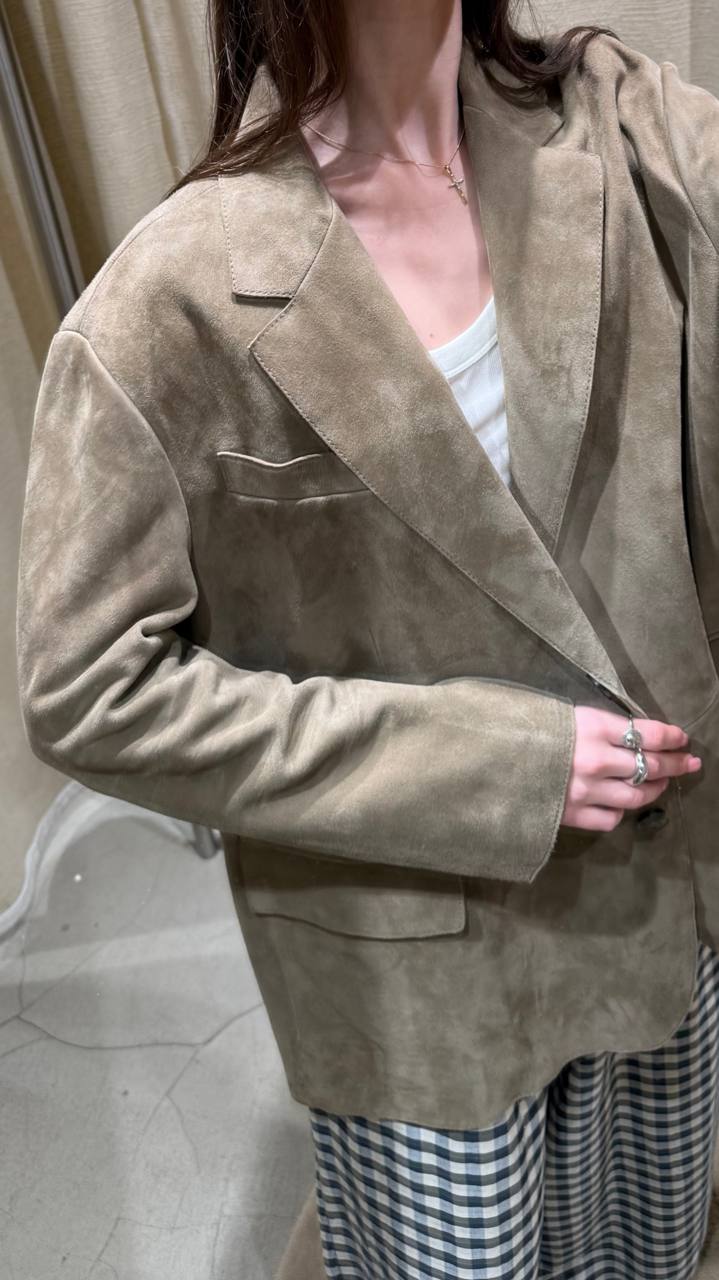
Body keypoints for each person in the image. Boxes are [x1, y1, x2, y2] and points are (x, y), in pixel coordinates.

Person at [15, 0, 719, 1275]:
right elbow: (88, 686)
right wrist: (487, 765)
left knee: (643, 1244)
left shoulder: (622, 138)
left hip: (653, 894)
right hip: (414, 970)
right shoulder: (169, 305)